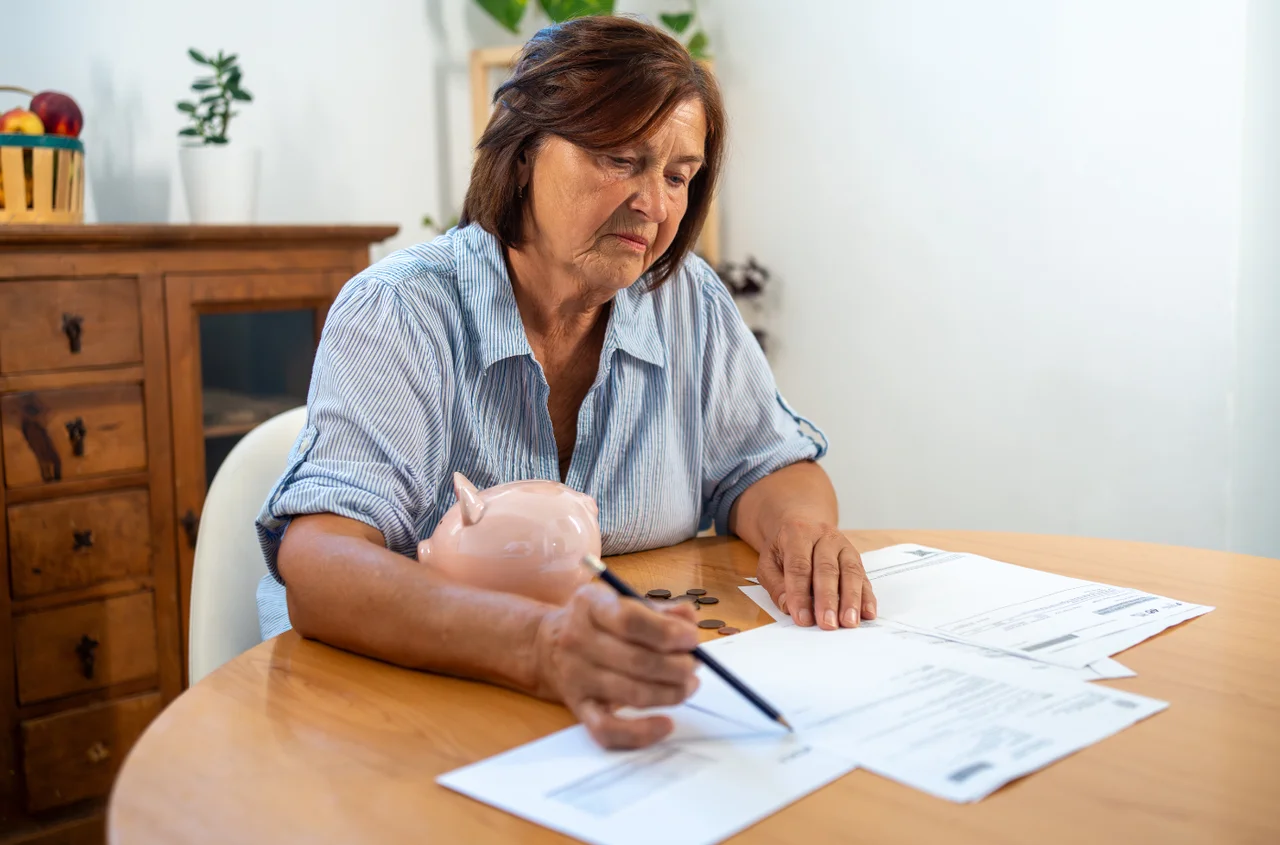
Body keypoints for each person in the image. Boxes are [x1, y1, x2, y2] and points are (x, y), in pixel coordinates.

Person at [255, 15, 876, 749]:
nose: (656, 203)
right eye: (620, 159)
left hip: (620, 707)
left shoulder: (690, 303)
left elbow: (770, 467)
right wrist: (540, 644)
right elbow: (321, 563)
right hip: (409, 718)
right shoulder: (400, 310)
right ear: (522, 155)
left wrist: (802, 532)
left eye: (678, 175)